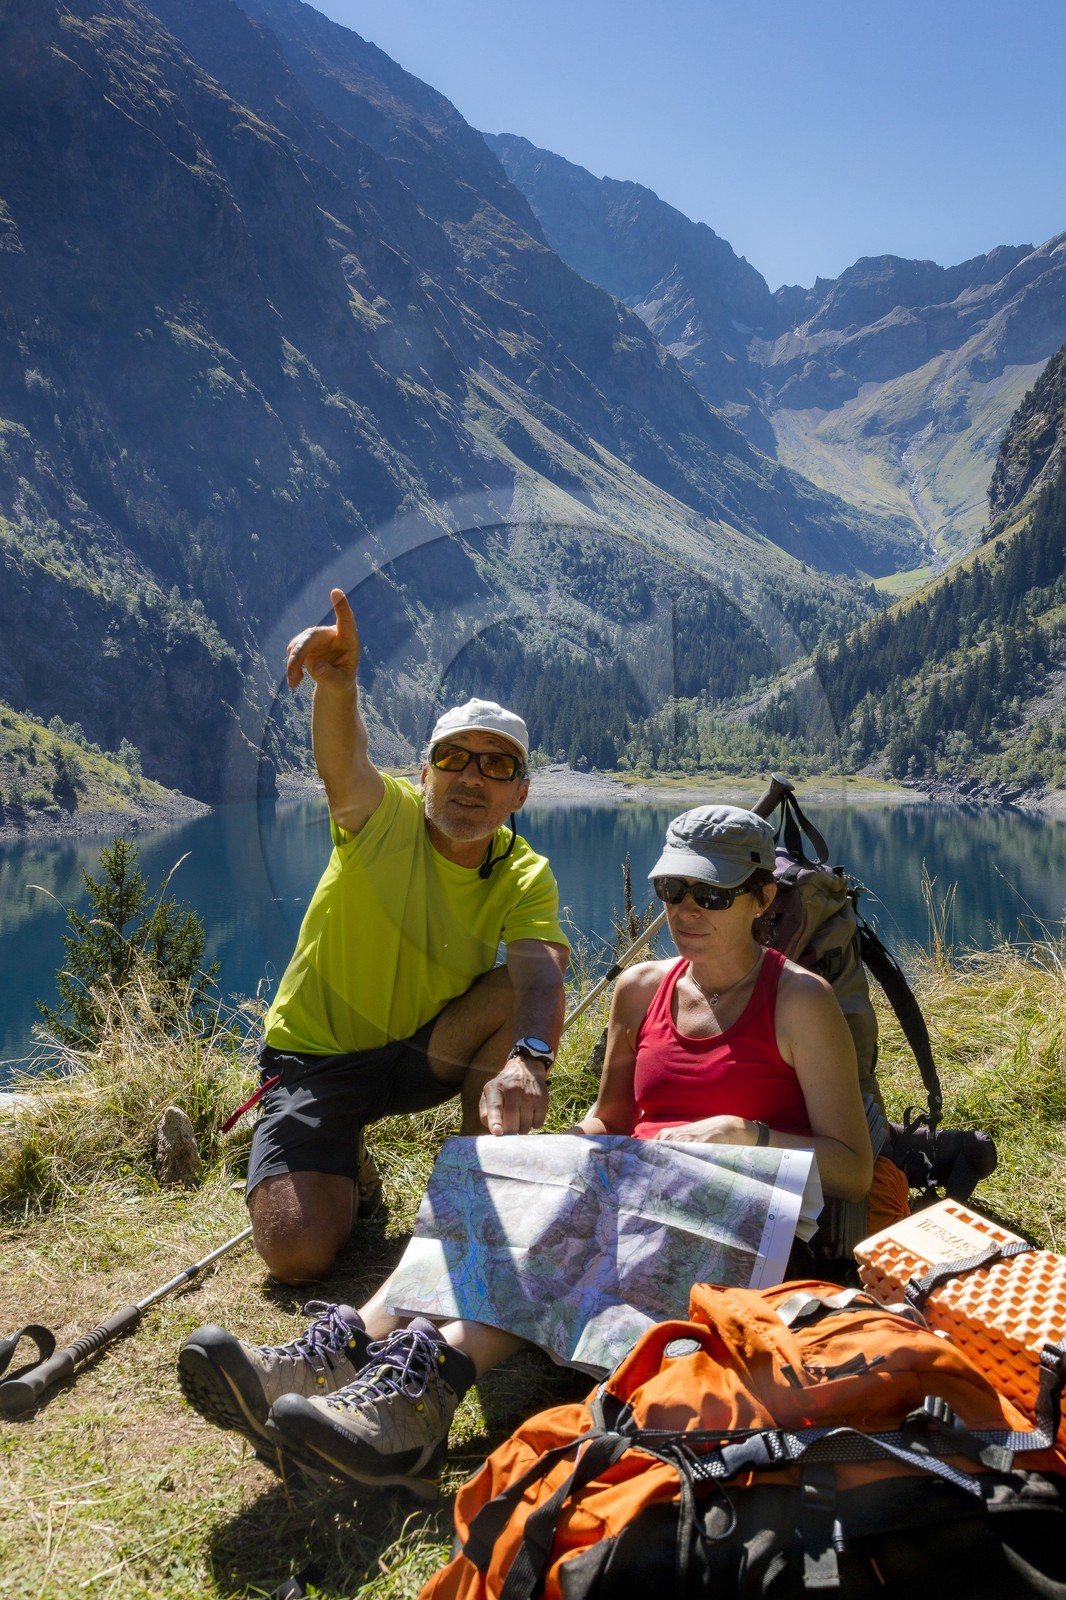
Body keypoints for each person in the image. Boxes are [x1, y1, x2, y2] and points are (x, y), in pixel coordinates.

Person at [179, 805, 878, 1499]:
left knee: (566, 1230)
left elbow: (853, 1166)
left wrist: (744, 1133)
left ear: (762, 898)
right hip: (632, 1197)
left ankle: (417, 1394)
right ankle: (345, 1347)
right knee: (501, 1173)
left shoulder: (798, 1001)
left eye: (712, 895)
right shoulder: (642, 989)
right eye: (673, 891)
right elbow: (611, 1119)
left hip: (735, 1228)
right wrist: (552, 1155)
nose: (687, 910)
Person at [243, 587, 570, 1283]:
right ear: (422, 775)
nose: (472, 777)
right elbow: (345, 764)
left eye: (498, 764)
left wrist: (530, 1060)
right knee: (296, 1255)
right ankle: (345, 1163)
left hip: (426, 1047)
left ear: (520, 795)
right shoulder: (381, 818)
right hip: (318, 1060)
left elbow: (540, 974)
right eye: (454, 758)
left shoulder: (524, 873)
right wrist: (337, 686)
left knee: (511, 985)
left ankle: (474, 1183)